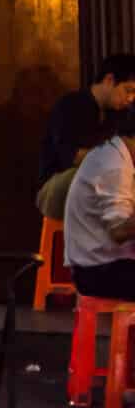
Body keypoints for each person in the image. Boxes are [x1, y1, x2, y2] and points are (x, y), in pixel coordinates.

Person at [37, 55, 135, 222]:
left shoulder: (121, 115)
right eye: (128, 90)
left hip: (104, 185)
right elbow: (69, 156)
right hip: (58, 185)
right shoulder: (70, 105)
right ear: (109, 80)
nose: (131, 98)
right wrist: (116, 159)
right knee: (107, 178)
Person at [64, 117, 135, 300]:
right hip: (98, 272)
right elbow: (119, 231)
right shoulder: (114, 166)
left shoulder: (115, 154)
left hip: (108, 263)